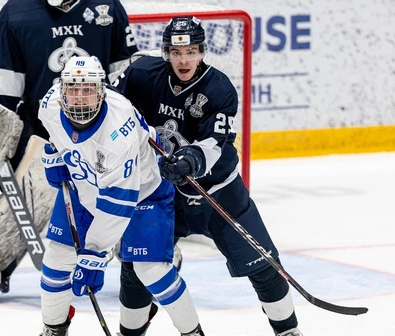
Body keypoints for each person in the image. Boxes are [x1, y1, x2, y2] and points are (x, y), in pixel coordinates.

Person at [112, 17, 303, 336]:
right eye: (176, 51)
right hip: (163, 195)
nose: (183, 59)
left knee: (264, 266)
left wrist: (190, 161)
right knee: (135, 268)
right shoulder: (143, 75)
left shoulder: (218, 88)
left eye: (191, 51)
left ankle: (287, 331)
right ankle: (129, 333)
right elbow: (111, 109)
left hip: (217, 193)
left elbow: (215, 142)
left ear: (202, 51)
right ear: (166, 52)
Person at [0, 0, 141, 299]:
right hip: (42, 134)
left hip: (102, 134)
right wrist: (1, 142)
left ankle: (145, 257)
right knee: (23, 192)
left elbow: (126, 74)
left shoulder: (106, 7)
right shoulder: (17, 13)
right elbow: (2, 88)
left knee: (122, 195)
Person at [37, 56, 204, 336]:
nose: (79, 98)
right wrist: (55, 153)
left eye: (87, 90)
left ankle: (192, 333)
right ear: (62, 90)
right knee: (56, 257)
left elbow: (119, 204)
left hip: (142, 194)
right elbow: (54, 133)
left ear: (101, 91)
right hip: (85, 186)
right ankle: (53, 328)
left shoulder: (118, 131)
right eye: (73, 90)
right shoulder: (50, 104)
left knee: (151, 270)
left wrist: (94, 254)